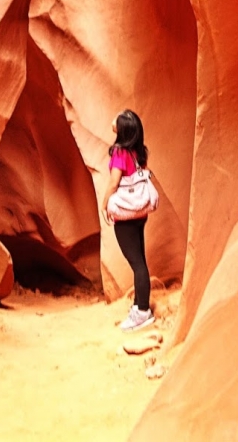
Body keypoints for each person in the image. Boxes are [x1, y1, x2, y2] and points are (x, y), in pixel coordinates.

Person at [102, 109, 155, 332]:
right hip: (140, 213)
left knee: (137, 263)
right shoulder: (138, 152)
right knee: (140, 260)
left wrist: (105, 203)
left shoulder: (120, 153)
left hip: (125, 213)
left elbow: (114, 182)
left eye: (119, 118)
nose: (114, 119)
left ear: (123, 129)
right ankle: (140, 307)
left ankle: (142, 312)